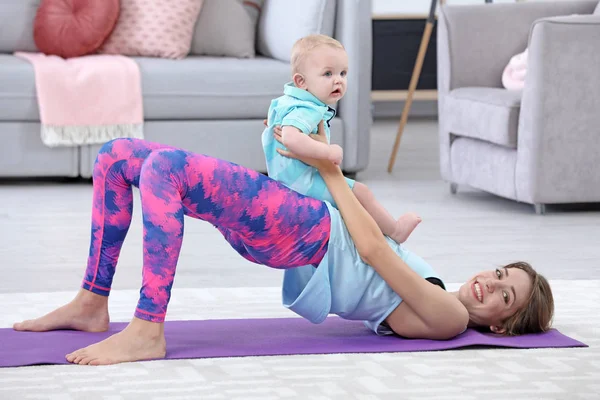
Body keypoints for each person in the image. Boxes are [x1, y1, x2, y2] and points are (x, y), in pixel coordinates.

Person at [13, 124, 554, 366]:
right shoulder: (448, 296)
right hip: (301, 222)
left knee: (164, 168)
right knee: (117, 155)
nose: (489, 284)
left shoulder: (450, 319)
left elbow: (371, 251)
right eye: (501, 273)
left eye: (502, 297)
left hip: (307, 232)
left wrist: (329, 168)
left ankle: (147, 329)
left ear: (502, 326)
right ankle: (91, 302)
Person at [262, 34, 421, 244]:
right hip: (301, 185)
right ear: (301, 81)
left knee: (354, 196)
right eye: (327, 74)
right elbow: (291, 137)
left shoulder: (289, 101)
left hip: (291, 180)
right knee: (360, 193)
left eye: (343, 73)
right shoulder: (307, 108)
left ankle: (373, 233)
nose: (338, 80)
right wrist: (328, 152)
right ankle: (395, 231)